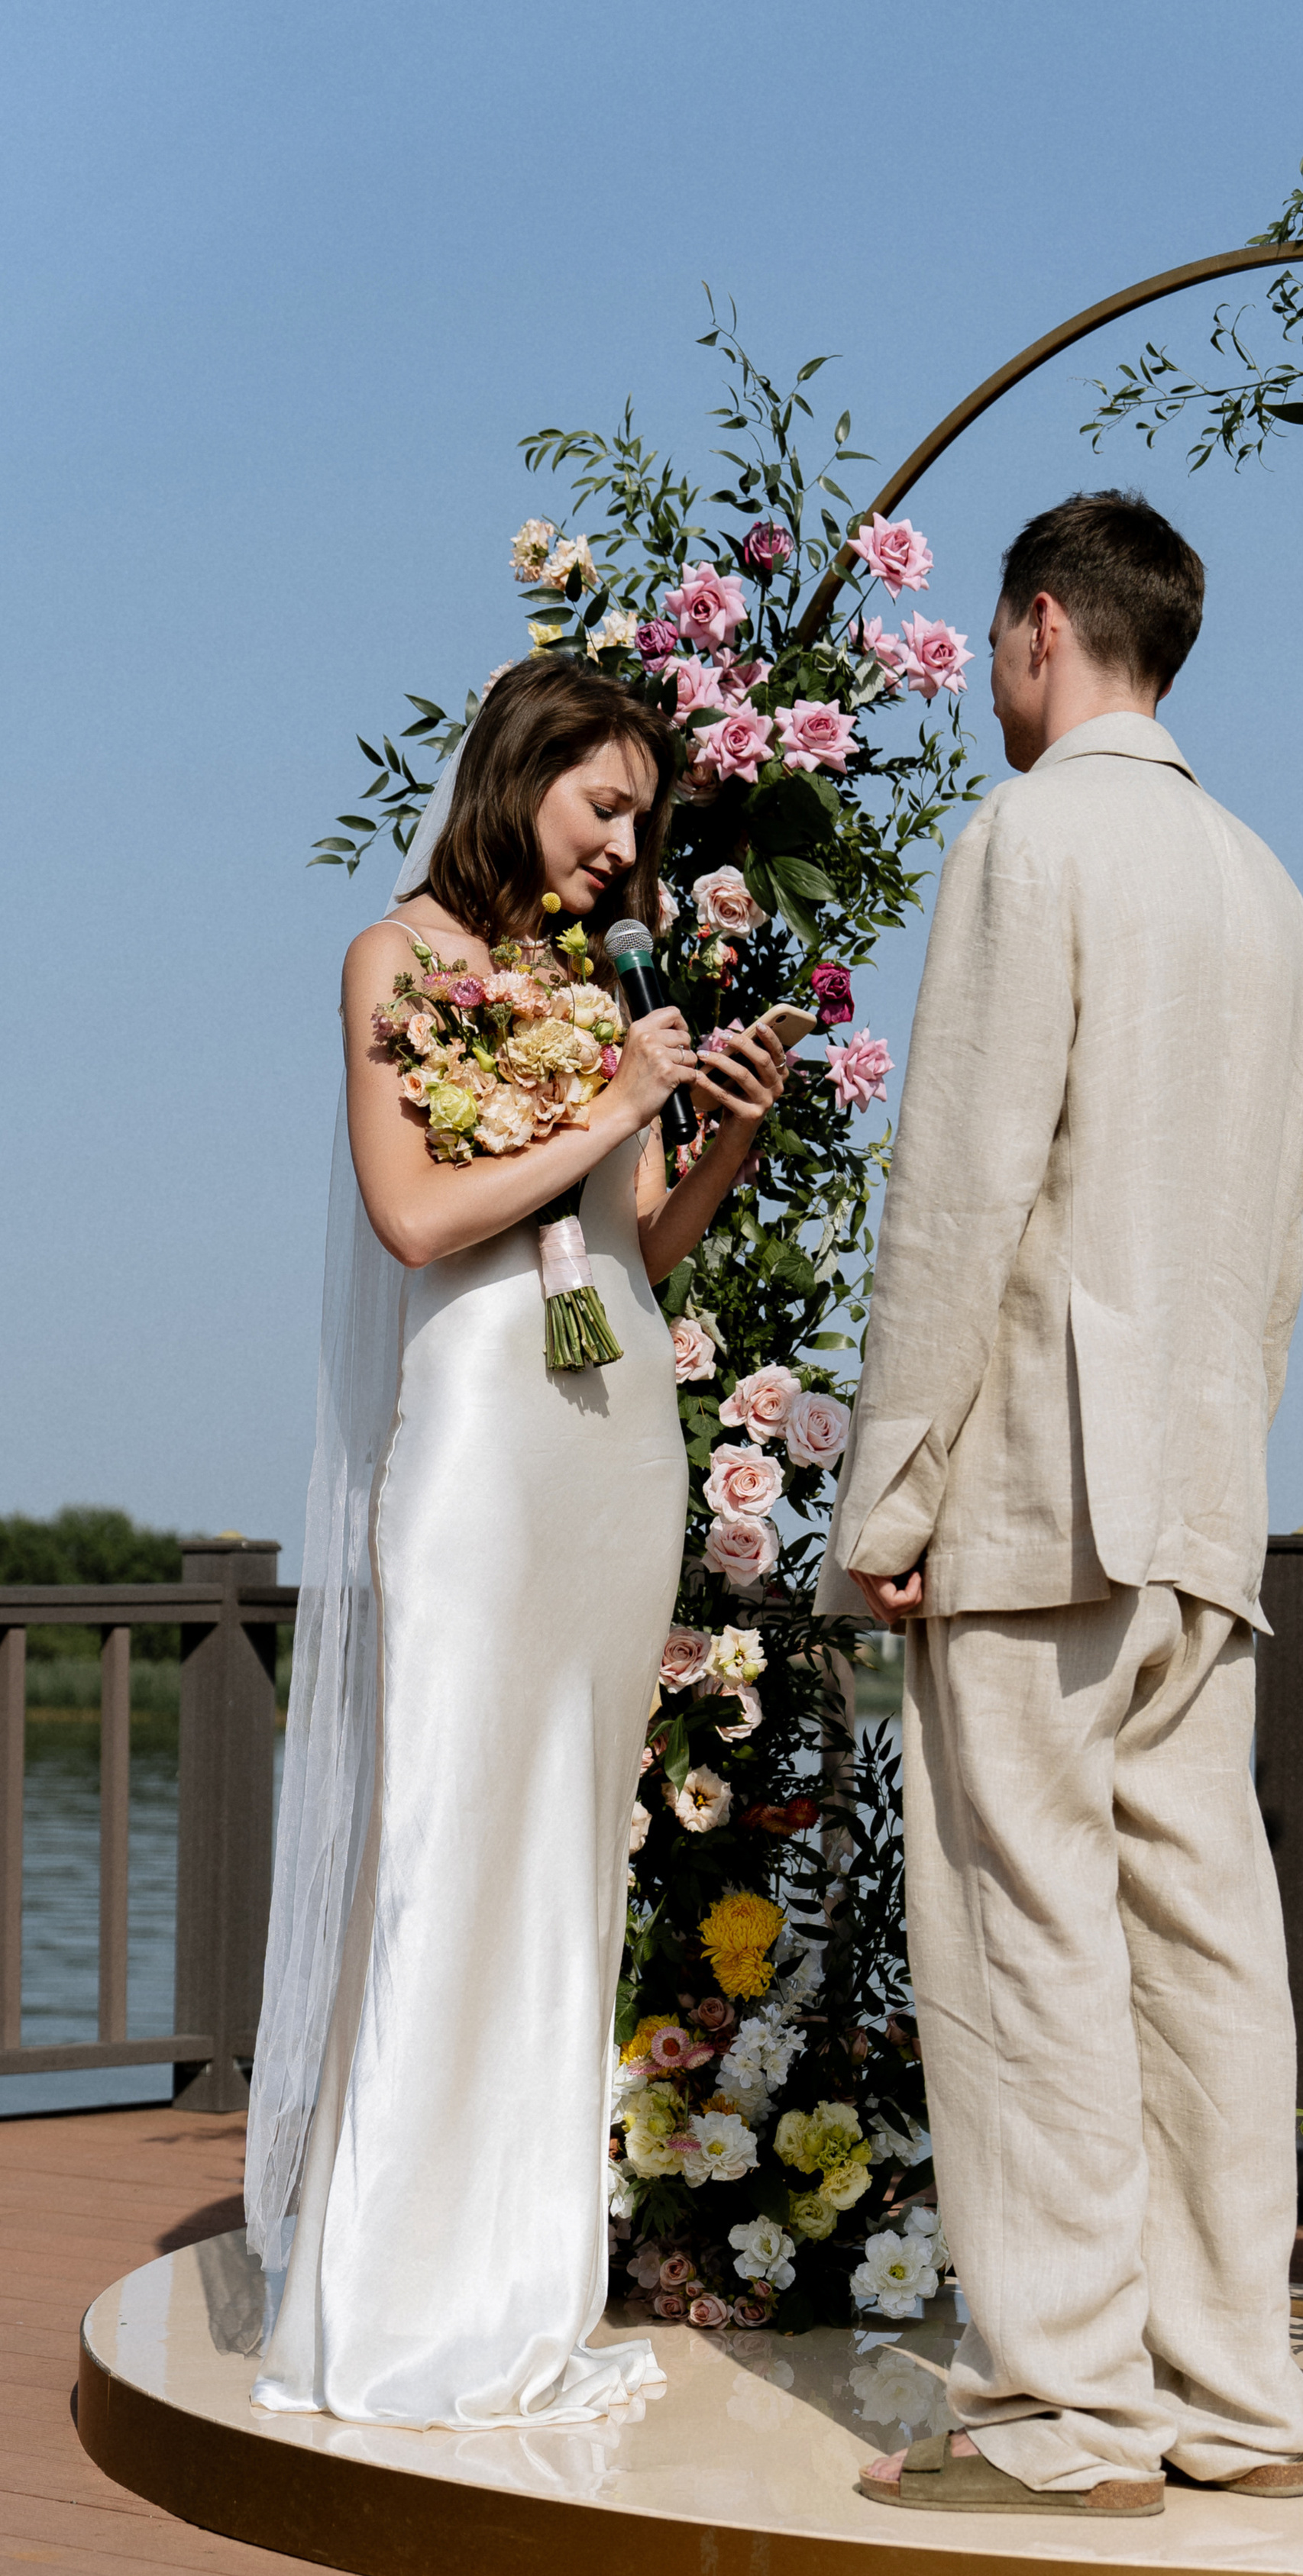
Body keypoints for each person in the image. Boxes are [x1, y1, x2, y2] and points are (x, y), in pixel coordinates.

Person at [818, 492, 1303, 2517]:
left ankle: (1060, 2415)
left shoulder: (1029, 840)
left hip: (1039, 1477)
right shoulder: (1267, 889)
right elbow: (1276, 1238)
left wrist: (887, 1492)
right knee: (1204, 1947)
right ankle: (1233, 2396)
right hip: (1204, 1485)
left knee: (1025, 1937)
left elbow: (958, 1190)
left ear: (1040, 627)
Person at [247, 657, 787, 2428]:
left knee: (567, 1857)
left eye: (645, 820)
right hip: (482, 1444)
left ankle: (517, 2289)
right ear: (518, 774)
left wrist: (721, 1134)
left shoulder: (586, 984)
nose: (626, 847)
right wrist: (616, 1106)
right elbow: (414, 1221)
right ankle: (396, 2311)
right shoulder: (393, 959)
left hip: (613, 1436)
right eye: (604, 806)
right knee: (448, 1836)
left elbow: (633, 1246)